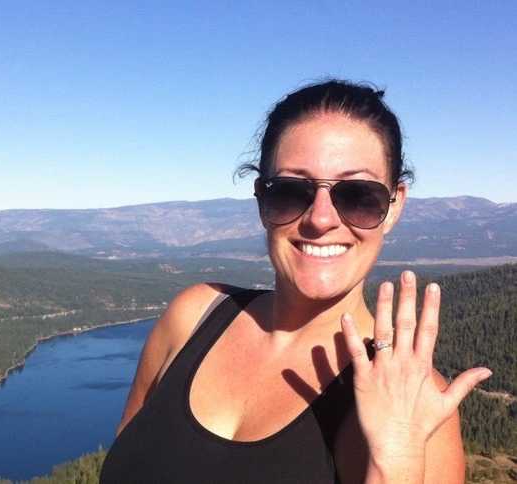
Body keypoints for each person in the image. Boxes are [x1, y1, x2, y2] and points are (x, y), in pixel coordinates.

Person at [100, 79, 492, 483]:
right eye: (289, 191)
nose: (320, 219)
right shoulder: (194, 316)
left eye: (358, 195)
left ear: (393, 207)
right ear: (260, 199)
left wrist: (397, 462)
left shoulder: (411, 400)